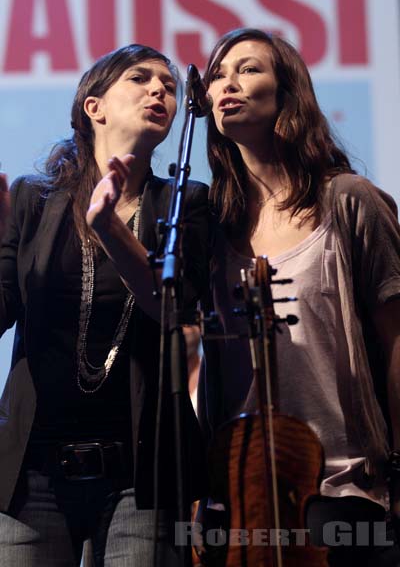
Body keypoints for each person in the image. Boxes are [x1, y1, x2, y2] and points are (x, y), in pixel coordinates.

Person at [0, 43, 209, 566]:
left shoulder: (185, 203)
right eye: (141, 79)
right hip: (33, 473)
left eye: (169, 85)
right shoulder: (33, 199)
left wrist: (110, 228)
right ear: (94, 107)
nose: (160, 90)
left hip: (140, 478)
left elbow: (173, 309)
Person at [197, 28, 400, 565]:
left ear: (287, 92)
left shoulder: (349, 202)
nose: (226, 84)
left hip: (344, 484)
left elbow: (397, 339)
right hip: (243, 494)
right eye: (217, 75)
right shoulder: (214, 225)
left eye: (247, 69)